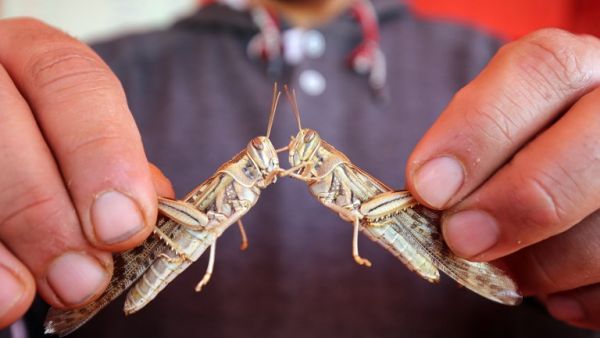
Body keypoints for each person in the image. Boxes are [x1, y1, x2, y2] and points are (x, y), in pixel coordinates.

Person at [0, 0, 598, 336]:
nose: (285, 157)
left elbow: (356, 203)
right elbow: (218, 214)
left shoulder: (487, 63)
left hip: (390, 222)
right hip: (166, 250)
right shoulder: (109, 75)